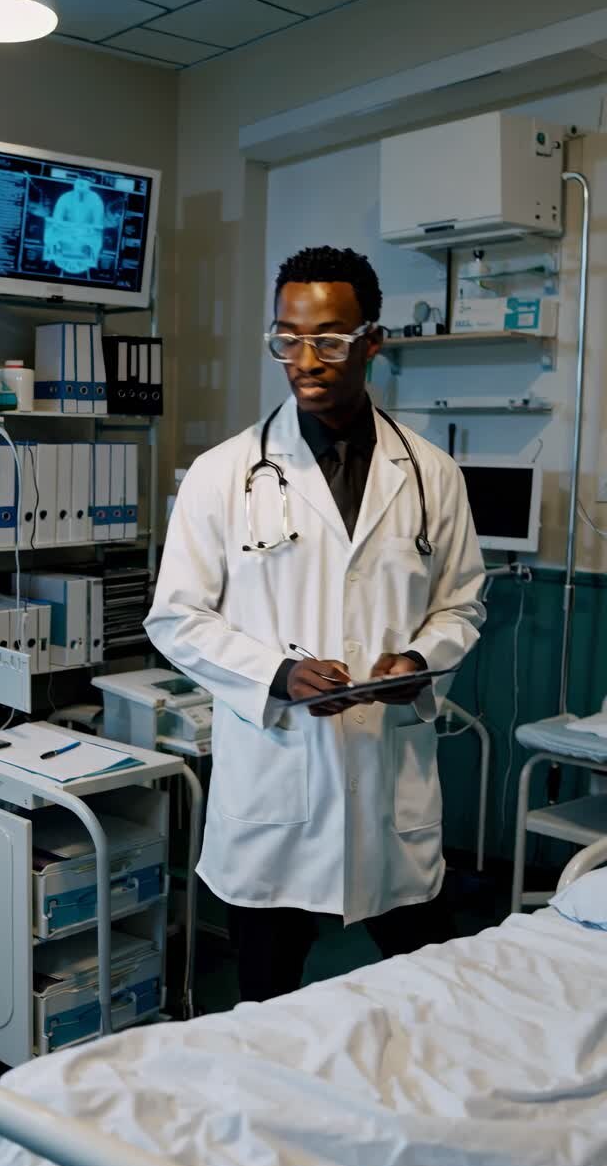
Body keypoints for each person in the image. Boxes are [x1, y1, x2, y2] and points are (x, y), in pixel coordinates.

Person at [145, 245, 485, 1003]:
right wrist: (276, 675)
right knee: (264, 1004)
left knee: (428, 994)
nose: (305, 358)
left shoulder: (433, 476)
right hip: (278, 783)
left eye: (328, 339)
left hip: (386, 783)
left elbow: (462, 602)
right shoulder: (223, 475)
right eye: (287, 338)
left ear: (372, 339)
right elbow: (175, 617)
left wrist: (420, 661)